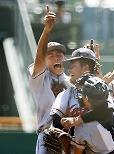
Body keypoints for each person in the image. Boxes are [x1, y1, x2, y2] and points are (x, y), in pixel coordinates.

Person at [28, 6, 70, 154]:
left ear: (64, 58)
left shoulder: (72, 81)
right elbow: (38, 61)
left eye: (59, 54)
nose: (56, 57)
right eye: (50, 55)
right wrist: (46, 31)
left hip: (70, 137)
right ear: (44, 60)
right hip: (47, 136)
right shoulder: (41, 79)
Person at [61, 75, 114, 154]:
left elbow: (77, 152)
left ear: (87, 99)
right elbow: (103, 109)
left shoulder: (82, 126)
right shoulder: (113, 108)